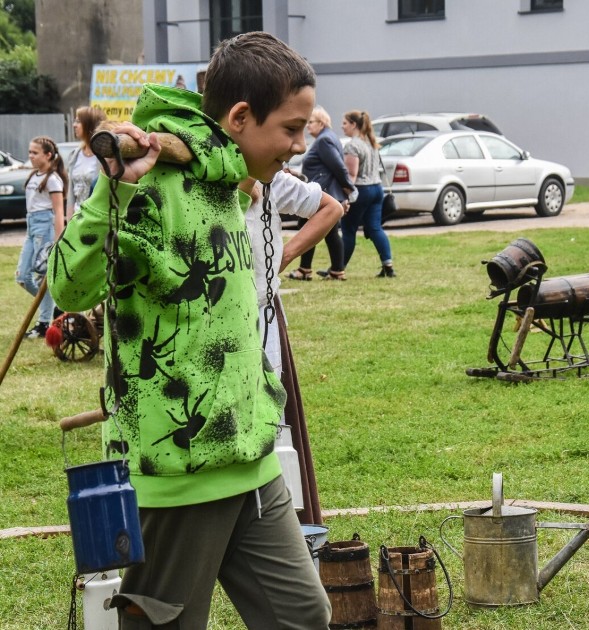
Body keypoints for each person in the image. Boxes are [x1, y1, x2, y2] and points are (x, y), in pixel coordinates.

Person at [48, 32, 332, 628]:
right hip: (176, 475)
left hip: (249, 459)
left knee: (301, 616)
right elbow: (68, 290)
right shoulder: (150, 186)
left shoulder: (230, 179)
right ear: (240, 116)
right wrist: (113, 187)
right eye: (291, 128)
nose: (300, 145)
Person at [242, 169, 342, 524]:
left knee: (274, 426)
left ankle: (280, 517)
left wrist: (287, 253)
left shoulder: (272, 179)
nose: (297, 147)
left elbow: (331, 208)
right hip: (223, 324)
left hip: (262, 315)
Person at [288, 106, 355, 281]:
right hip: (325, 191)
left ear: (321, 123)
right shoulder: (329, 137)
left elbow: (338, 167)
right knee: (327, 232)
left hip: (321, 193)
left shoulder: (324, 140)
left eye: (310, 122)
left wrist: (348, 187)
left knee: (310, 229)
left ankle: (308, 270)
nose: (307, 126)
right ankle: (333, 271)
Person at [17, 136, 66, 338]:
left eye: (35, 153)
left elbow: (58, 211)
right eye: (29, 152)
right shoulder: (33, 175)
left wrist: (57, 241)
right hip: (31, 227)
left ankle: (44, 322)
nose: (30, 156)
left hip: (44, 226)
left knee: (40, 276)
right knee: (22, 276)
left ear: (48, 155)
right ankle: (54, 310)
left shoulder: (53, 179)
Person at [341, 109, 396, 277]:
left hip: (362, 190)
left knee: (349, 229)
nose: (342, 127)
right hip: (377, 188)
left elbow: (352, 174)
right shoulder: (371, 142)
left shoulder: (353, 145)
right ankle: (388, 265)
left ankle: (338, 267)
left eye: (345, 123)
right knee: (375, 228)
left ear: (353, 125)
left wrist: (346, 193)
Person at [66, 106, 107, 221]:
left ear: (90, 124)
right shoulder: (75, 154)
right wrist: (69, 222)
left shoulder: (105, 156)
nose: (74, 125)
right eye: (74, 121)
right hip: (76, 218)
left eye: (78, 121)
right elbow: (71, 194)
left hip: (95, 219)